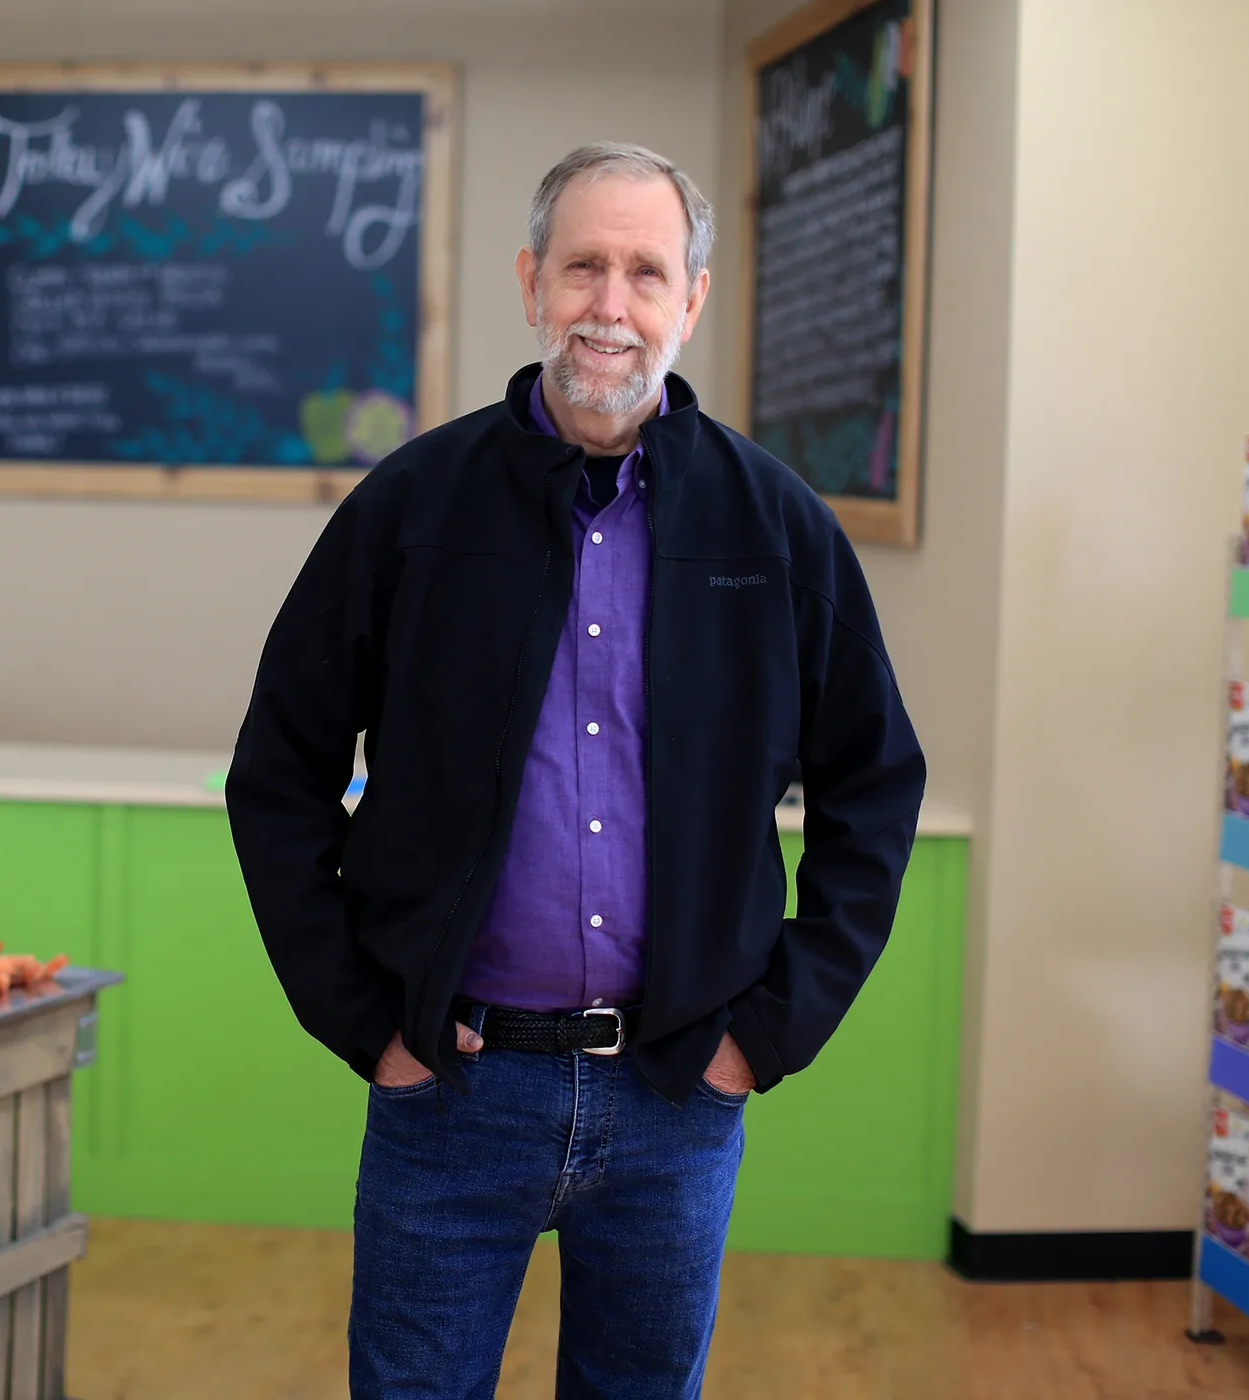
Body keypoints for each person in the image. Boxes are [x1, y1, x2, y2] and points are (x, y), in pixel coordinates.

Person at [226, 142, 927, 1399]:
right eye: (584, 266)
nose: (612, 304)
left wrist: (763, 1033)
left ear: (691, 300)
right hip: (452, 1091)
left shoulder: (776, 529)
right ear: (530, 283)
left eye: (646, 272)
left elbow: (874, 787)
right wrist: (362, 1016)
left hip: (676, 1096)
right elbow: (278, 770)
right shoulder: (411, 507)